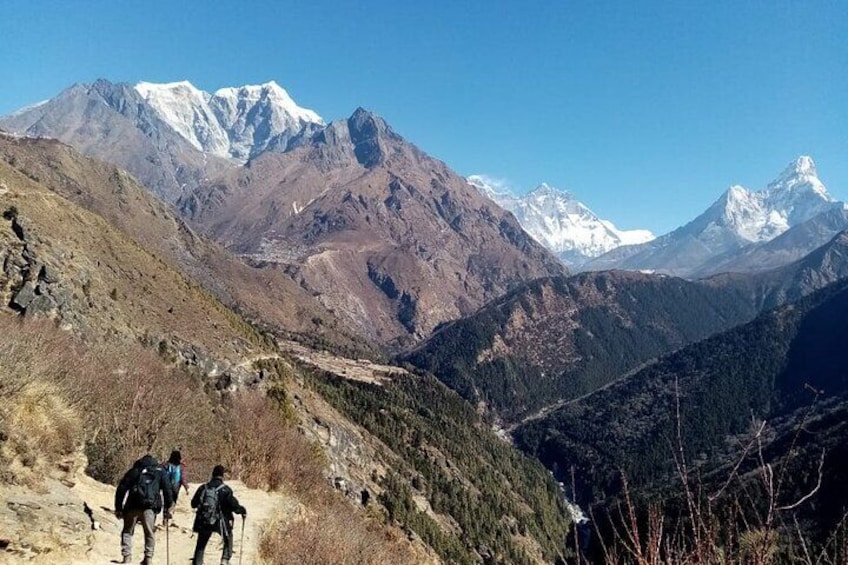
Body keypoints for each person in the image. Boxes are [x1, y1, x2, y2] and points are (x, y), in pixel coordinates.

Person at [114, 453, 175, 565]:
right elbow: (168, 490)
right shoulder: (160, 471)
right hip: (150, 508)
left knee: (127, 531)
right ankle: (148, 558)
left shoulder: (135, 470)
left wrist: (118, 508)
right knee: (149, 533)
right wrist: (168, 509)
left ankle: (127, 557)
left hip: (132, 505)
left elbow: (121, 488)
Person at [191, 465, 247, 565]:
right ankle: (225, 560)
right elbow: (234, 506)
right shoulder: (226, 490)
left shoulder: (203, 488)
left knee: (201, 543)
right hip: (220, 522)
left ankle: (198, 562)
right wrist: (242, 510)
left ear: (212, 475)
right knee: (228, 537)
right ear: (222, 476)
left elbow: (193, 504)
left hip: (204, 521)